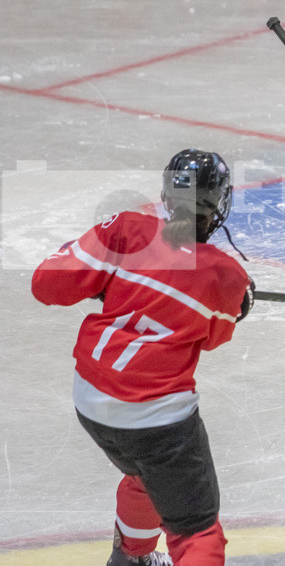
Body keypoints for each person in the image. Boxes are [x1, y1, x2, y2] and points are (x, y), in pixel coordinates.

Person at [31, 149, 255, 566]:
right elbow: (213, 336)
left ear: (168, 193)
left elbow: (46, 285)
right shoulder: (225, 275)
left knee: (144, 476)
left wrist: (101, 272)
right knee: (196, 529)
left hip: (92, 402)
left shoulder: (126, 230)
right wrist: (241, 301)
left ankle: (129, 558)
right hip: (157, 421)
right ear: (219, 203)